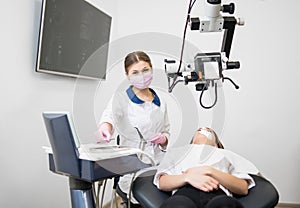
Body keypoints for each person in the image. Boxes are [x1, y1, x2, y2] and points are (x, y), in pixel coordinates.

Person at [95, 51, 170, 204]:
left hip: (158, 168)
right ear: (127, 75)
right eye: (135, 72)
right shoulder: (121, 99)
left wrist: (164, 139)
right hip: (132, 171)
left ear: (151, 69)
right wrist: (105, 128)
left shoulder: (161, 100)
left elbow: (166, 130)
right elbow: (109, 117)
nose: (141, 76)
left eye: (145, 70)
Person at [153, 127, 259, 208]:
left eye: (208, 130)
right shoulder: (178, 153)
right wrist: (188, 177)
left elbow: (242, 188)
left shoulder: (226, 155)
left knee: (224, 204)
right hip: (184, 193)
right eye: (199, 129)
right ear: (192, 141)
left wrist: (210, 171)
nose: (203, 130)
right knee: (177, 204)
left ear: (216, 145)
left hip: (218, 194)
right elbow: (162, 183)